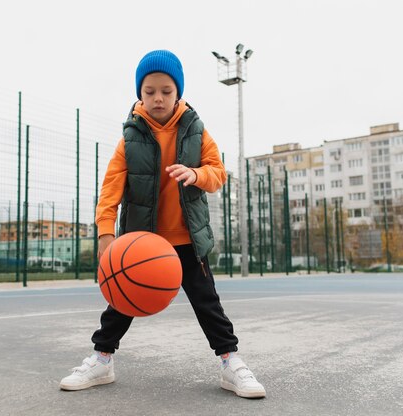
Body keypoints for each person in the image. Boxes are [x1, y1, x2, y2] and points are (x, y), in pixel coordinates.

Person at [59, 50, 266, 399]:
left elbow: (218, 175)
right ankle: (101, 359)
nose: (157, 98)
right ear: (139, 93)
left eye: (166, 91)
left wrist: (195, 173)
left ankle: (231, 363)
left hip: (188, 241)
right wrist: (107, 237)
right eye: (150, 90)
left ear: (178, 93)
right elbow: (110, 193)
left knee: (208, 304)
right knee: (120, 304)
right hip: (144, 243)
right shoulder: (129, 139)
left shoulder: (197, 132)